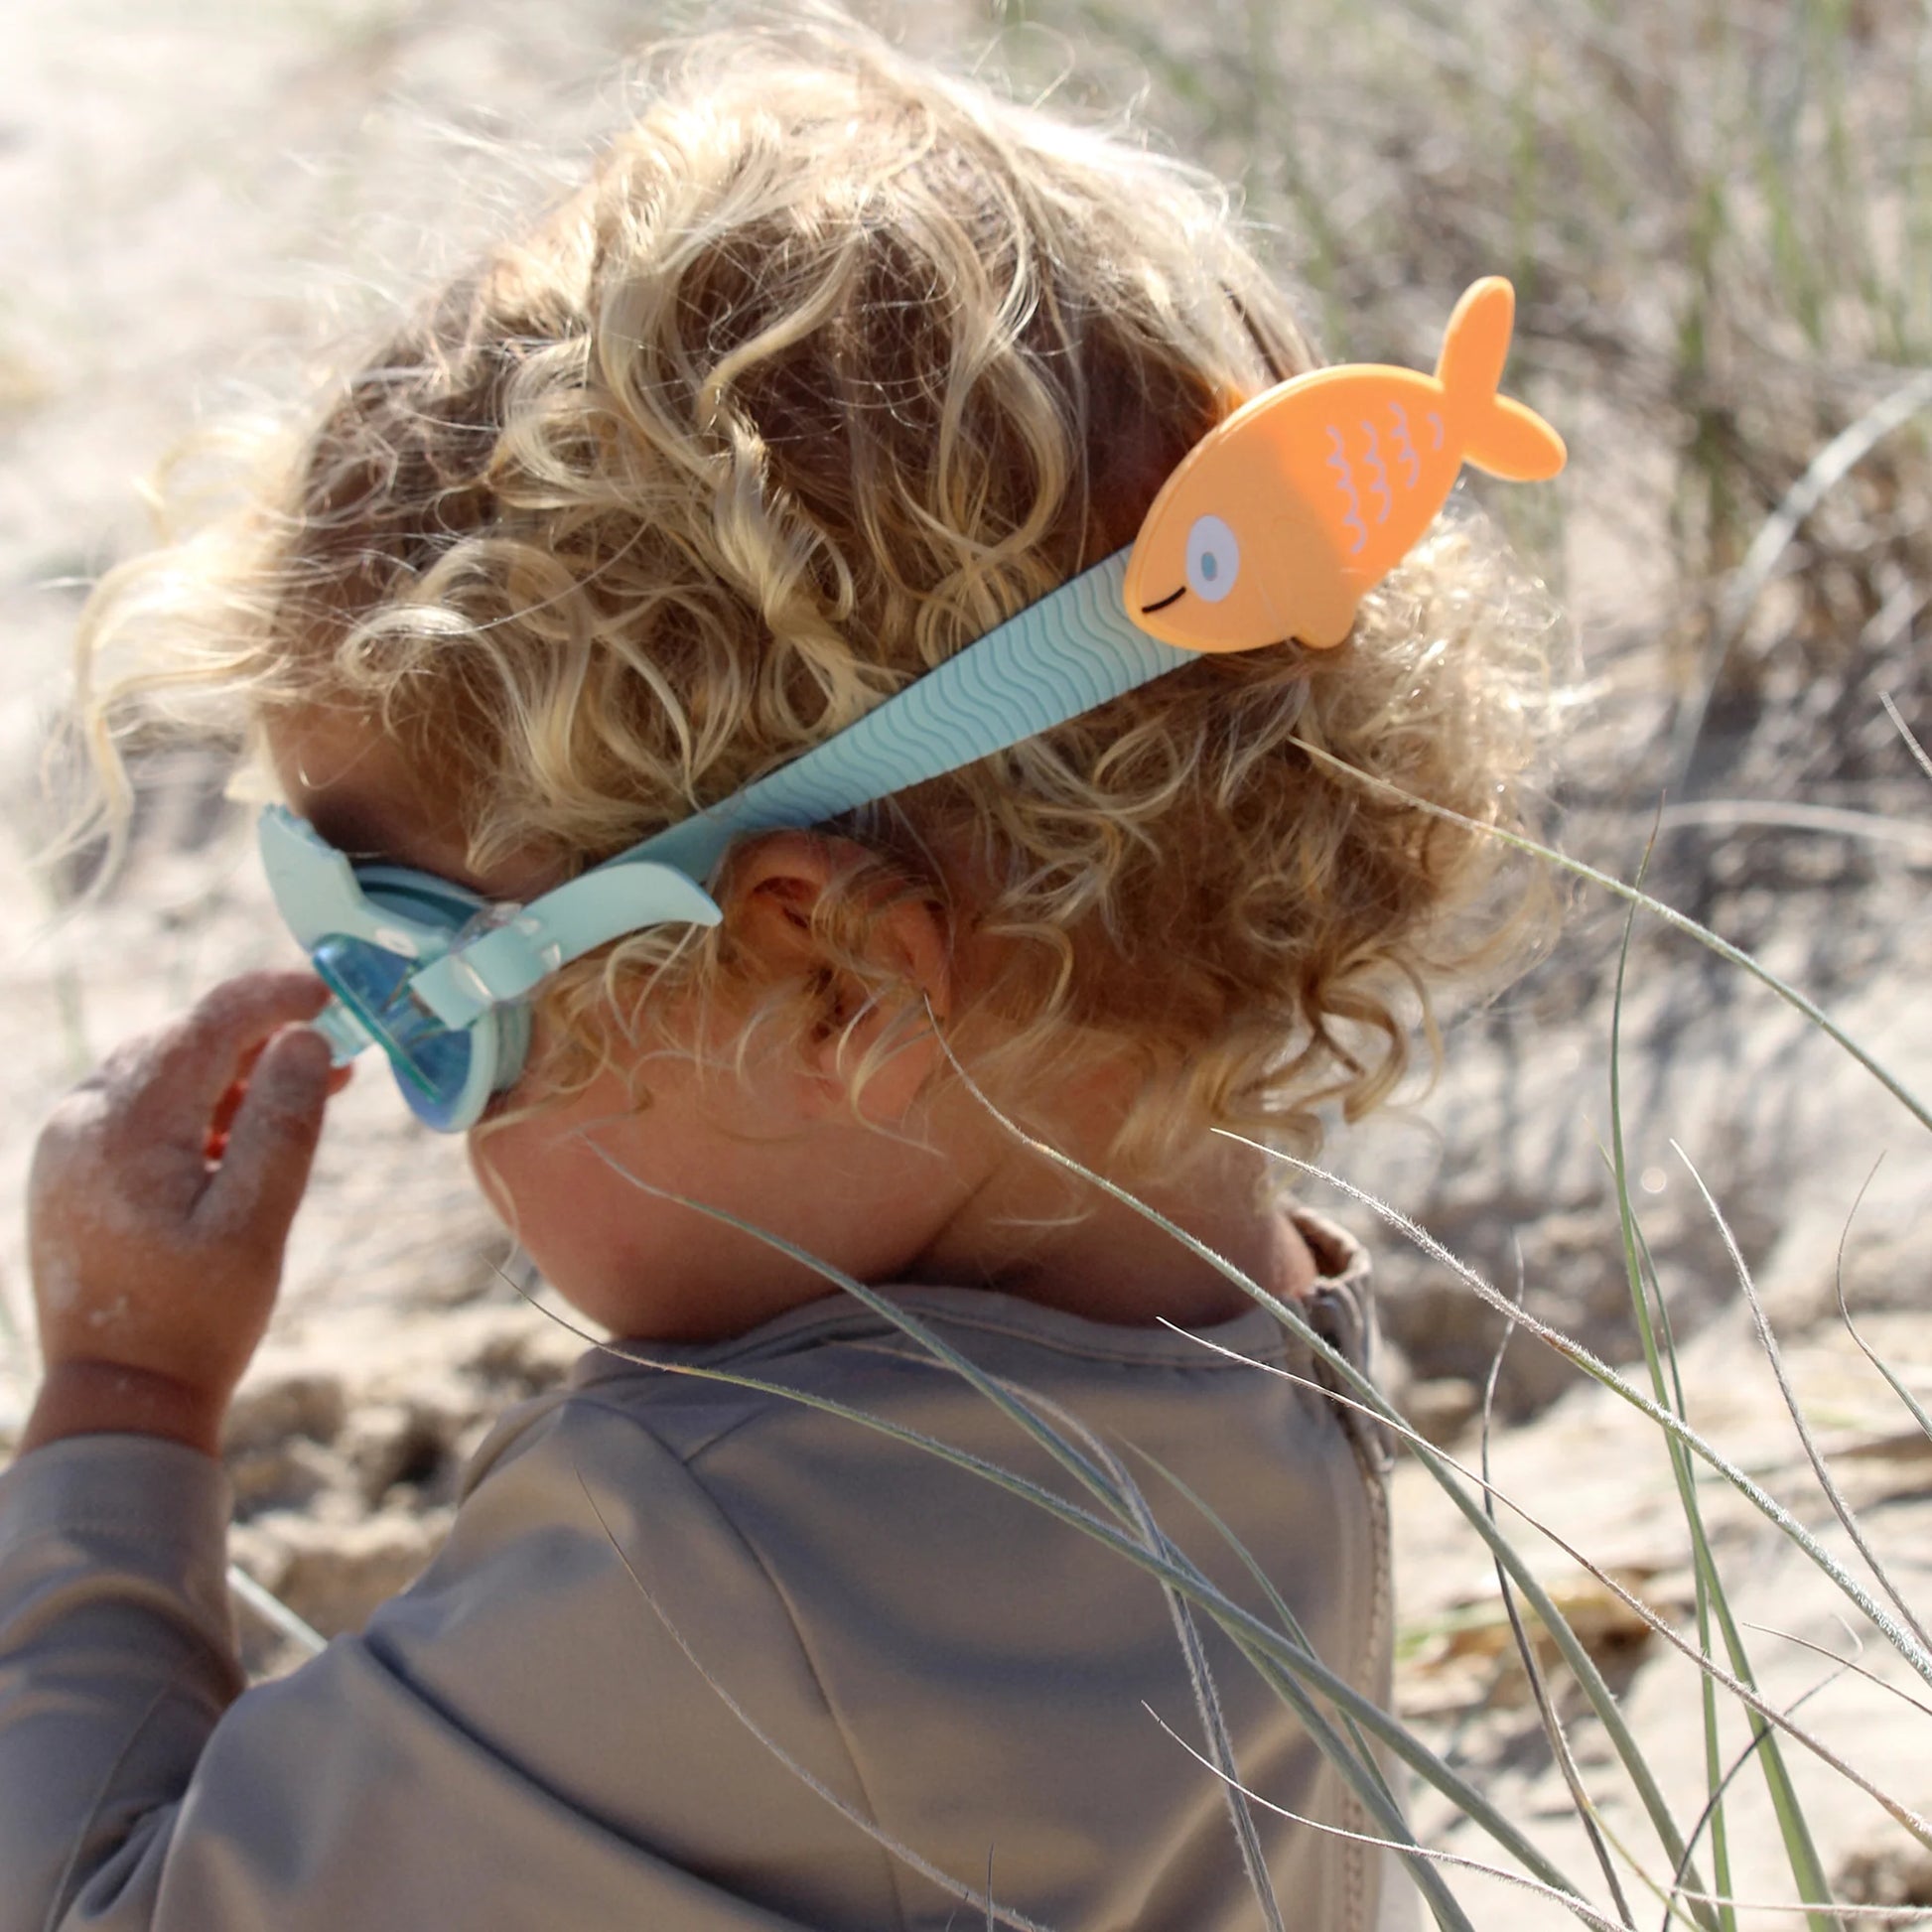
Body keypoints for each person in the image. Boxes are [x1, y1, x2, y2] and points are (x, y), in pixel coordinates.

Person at [0, 19, 1564, 1931]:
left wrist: (126, 1394)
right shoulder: (1273, 1361)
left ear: (835, 986)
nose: (429, 1120)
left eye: (425, 985)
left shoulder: (716, 1549)